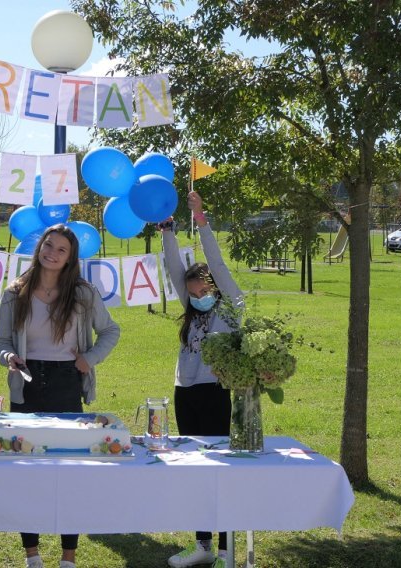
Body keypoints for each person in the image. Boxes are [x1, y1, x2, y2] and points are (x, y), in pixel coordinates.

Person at [0, 223, 120, 568]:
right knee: (27, 469)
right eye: (48, 245)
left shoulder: (83, 293)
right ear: (39, 248)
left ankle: (68, 558)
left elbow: (110, 330)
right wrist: (8, 358)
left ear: (70, 258)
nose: (52, 253)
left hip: (67, 382)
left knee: (69, 469)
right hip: (27, 383)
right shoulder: (14, 292)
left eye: (61, 249)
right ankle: (32, 555)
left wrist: (88, 359)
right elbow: (1, 343)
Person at [160, 191, 244, 568]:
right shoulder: (189, 310)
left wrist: (202, 221)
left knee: (219, 471)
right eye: (193, 294)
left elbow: (217, 265)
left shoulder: (231, 305)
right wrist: (168, 229)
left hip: (215, 392)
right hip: (185, 392)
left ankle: (226, 551)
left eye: (204, 291)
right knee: (194, 468)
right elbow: (174, 268)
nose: (198, 297)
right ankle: (202, 546)